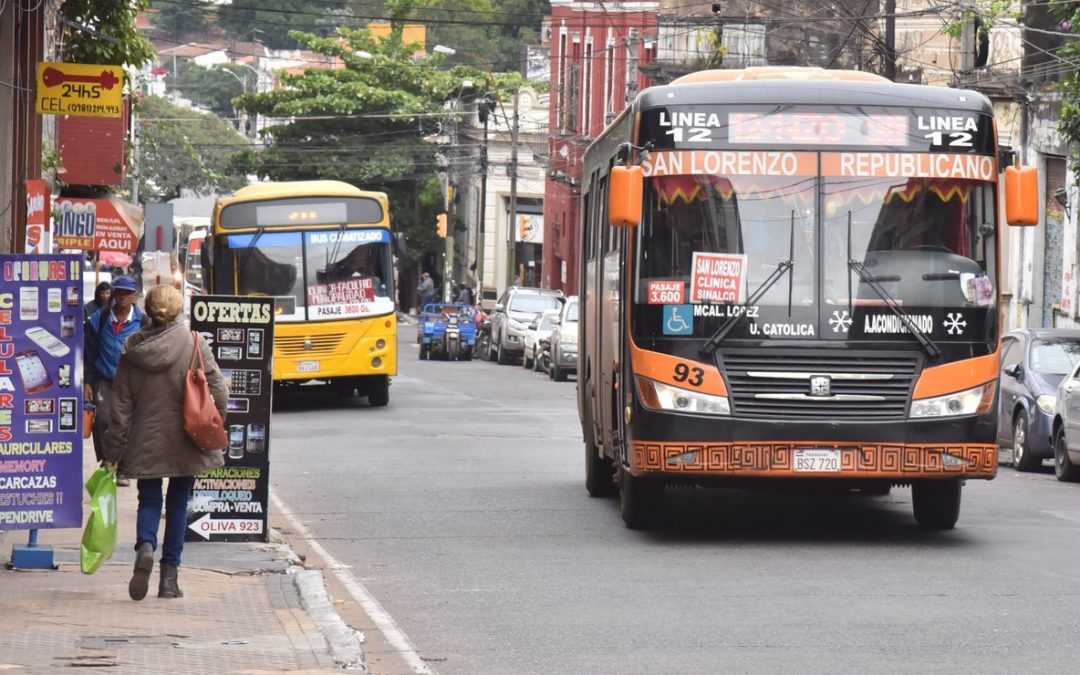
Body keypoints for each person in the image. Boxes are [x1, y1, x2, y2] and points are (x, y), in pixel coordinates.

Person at [103, 285, 228, 601]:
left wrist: (113, 454)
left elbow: (120, 410)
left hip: (145, 439)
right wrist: (214, 425)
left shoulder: (131, 350)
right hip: (188, 437)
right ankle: (169, 578)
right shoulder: (194, 343)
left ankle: (145, 545)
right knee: (177, 503)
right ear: (178, 310)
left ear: (148, 311)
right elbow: (220, 393)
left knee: (149, 499)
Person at [84, 276, 150, 477]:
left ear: (135, 296)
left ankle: (122, 467)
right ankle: (108, 462)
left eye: (127, 293)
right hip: (104, 379)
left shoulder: (144, 322)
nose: (122, 296)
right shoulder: (100, 318)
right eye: (119, 292)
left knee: (126, 423)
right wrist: (87, 381)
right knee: (103, 421)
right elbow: (89, 351)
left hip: (132, 382)